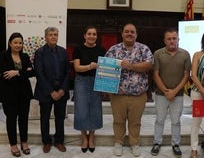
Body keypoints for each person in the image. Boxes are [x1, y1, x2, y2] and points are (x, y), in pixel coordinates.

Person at [105, 23, 153, 157]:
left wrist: (131, 66)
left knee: (135, 122)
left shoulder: (144, 49)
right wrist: (106, 88)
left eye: (132, 32)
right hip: (118, 94)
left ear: (136, 34)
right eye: (126, 31)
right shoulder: (113, 50)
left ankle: (134, 143)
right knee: (118, 121)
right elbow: (106, 68)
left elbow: (149, 65)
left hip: (138, 95)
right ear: (122, 34)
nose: (129, 34)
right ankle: (118, 142)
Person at [151, 28, 191, 157]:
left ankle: (176, 144)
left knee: (176, 121)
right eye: (169, 38)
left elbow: (186, 75)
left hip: (178, 95)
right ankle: (157, 142)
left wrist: (174, 91)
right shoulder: (157, 53)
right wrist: (165, 91)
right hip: (161, 94)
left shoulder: (185, 54)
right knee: (159, 120)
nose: (172, 41)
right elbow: (155, 74)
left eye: (174, 38)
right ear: (164, 40)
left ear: (178, 39)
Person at [33, 26, 71, 153]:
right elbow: (39, 73)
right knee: (44, 118)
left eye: (55, 34)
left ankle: (59, 141)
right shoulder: (39, 52)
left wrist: (62, 90)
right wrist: (51, 91)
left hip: (61, 92)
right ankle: (46, 141)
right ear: (46, 37)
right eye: (51, 35)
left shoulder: (63, 51)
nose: (53, 37)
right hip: (46, 92)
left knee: (60, 118)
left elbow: (67, 72)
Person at [0, 32, 35, 157]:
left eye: (20, 43)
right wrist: (23, 72)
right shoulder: (3, 56)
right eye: (15, 42)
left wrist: (16, 73)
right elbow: (5, 74)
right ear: (10, 43)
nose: (18, 45)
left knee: (24, 119)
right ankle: (13, 144)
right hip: (9, 93)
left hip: (24, 93)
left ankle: (24, 142)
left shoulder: (24, 56)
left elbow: (32, 73)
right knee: (11, 119)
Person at [72, 26, 106, 153]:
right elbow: (77, 68)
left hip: (97, 82)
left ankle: (91, 136)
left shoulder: (102, 49)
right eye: (89, 34)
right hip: (81, 81)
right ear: (84, 35)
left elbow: (105, 68)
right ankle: (83, 137)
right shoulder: (78, 49)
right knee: (81, 109)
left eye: (94, 34)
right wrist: (89, 67)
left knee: (95, 109)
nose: (92, 36)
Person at [189, 33, 204, 158]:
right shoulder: (198, 54)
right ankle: (194, 149)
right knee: (196, 121)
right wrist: (202, 90)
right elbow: (193, 75)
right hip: (198, 92)